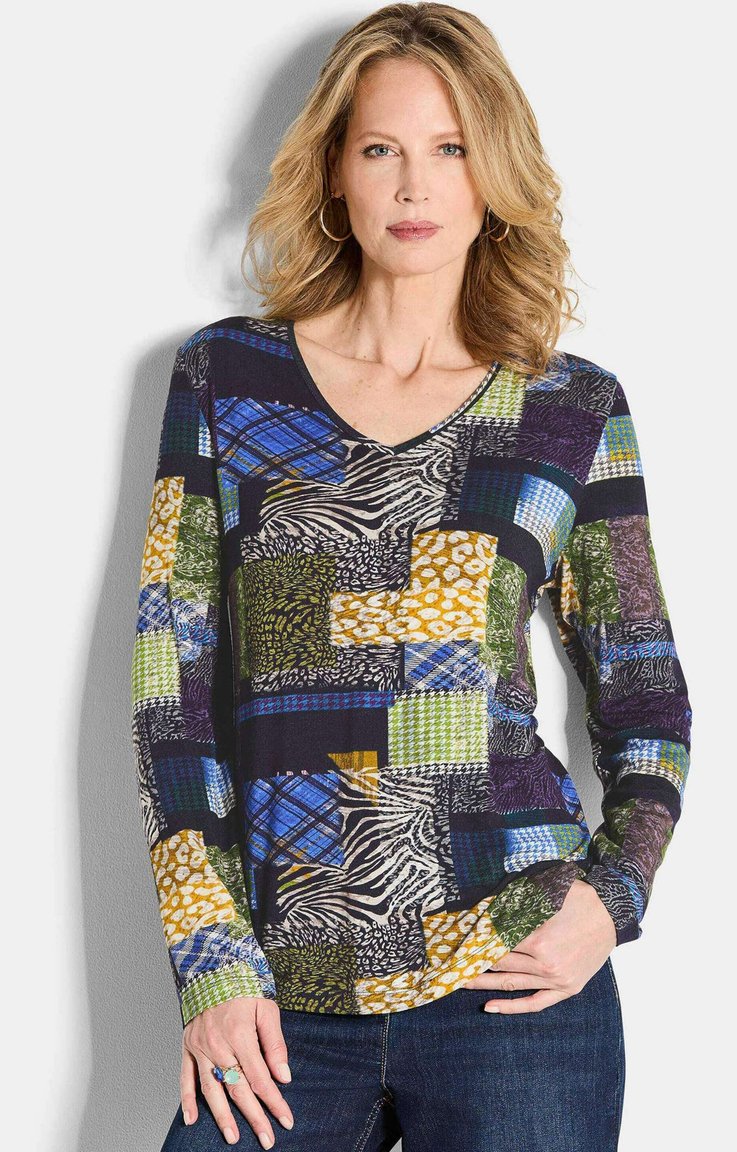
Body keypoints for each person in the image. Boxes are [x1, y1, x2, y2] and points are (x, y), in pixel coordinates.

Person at [130, 4, 692, 1149]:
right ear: (334, 171)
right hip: (277, 989)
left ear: (492, 179)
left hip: (514, 977)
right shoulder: (226, 381)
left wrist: (610, 899)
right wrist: (208, 956)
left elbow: (645, 698)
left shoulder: (569, 409)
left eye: (449, 149)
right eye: (380, 147)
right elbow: (168, 695)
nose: (412, 184)